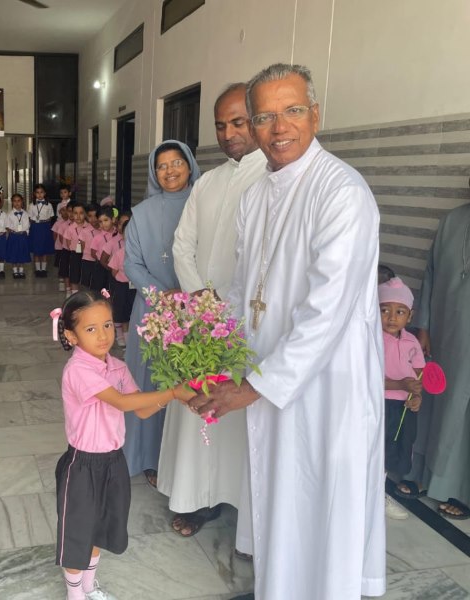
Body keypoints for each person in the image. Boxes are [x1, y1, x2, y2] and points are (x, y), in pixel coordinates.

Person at [189, 63, 386, 599]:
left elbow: (328, 311)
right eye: (265, 116)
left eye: (292, 111)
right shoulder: (257, 196)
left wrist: (253, 387)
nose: (279, 127)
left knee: (319, 507)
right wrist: (212, 359)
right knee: (277, 501)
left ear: (315, 114)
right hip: (266, 380)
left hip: (325, 390)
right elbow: (240, 290)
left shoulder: (341, 192)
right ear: (252, 127)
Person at [162, 83, 266, 538]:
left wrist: (232, 306)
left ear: (259, 119)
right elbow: (182, 244)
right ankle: (198, 499)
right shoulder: (209, 180)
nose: (228, 133)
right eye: (220, 125)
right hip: (202, 317)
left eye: (238, 122)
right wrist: (202, 300)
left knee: (244, 418)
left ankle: (249, 512)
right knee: (201, 409)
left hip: (251, 321)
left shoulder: (273, 177)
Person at [53, 290, 195, 600]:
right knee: (78, 532)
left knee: (101, 527)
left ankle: (90, 588)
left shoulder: (116, 366)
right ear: (71, 335)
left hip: (113, 461)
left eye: (106, 325)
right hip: (83, 465)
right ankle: (74, 594)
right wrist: (172, 393)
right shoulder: (78, 371)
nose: (103, 335)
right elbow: (120, 400)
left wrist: (179, 396)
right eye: (90, 329)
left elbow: (141, 408)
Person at [123, 140, 200, 485]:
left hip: (198, 309)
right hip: (152, 311)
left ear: (190, 165)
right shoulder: (141, 213)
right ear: (154, 172)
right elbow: (131, 264)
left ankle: (188, 463)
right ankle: (149, 458)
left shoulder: (205, 204)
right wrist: (162, 295)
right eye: (162, 165)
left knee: (190, 380)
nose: (170, 171)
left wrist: (190, 294)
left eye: (177, 163)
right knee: (151, 379)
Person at [398, 201, 470, 519]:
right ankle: (419, 475)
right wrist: (423, 325)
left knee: (461, 408)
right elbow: (430, 275)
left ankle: (459, 488)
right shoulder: (453, 219)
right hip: (443, 331)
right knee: (432, 398)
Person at [378, 277, 424, 520]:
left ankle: (378, 495)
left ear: (410, 315)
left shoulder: (411, 341)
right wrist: (400, 384)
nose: (392, 317)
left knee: (393, 451)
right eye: (384, 310)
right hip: (378, 404)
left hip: (403, 406)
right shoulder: (371, 339)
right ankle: (367, 494)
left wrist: (417, 397)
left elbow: (419, 375)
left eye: (400, 311)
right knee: (374, 450)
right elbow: (367, 379)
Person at [106, 217, 135, 349]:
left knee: (131, 312)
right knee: (122, 313)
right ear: (122, 235)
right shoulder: (119, 253)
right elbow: (114, 271)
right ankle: (124, 339)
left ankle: (130, 338)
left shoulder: (139, 253)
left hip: (135, 287)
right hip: (122, 286)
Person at [64, 201, 91, 297]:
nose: (78, 216)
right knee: (74, 276)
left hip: (87, 256)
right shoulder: (70, 229)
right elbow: (68, 244)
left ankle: (86, 297)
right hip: (75, 254)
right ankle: (74, 296)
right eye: (75, 213)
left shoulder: (89, 227)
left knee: (85, 276)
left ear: (85, 214)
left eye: (81, 213)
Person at [28, 183, 55, 277]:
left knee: (44, 249)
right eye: (37, 192)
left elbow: (51, 217)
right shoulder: (31, 205)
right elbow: (30, 218)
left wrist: (44, 222)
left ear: (45, 193)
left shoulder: (49, 205)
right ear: (34, 194)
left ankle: (43, 269)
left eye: (41, 192)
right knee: (36, 250)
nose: (39, 194)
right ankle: (37, 269)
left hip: (45, 227)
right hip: (35, 227)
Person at [5, 193, 31, 279]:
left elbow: (27, 225)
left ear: (22, 202)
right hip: (13, 236)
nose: (17, 203)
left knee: (22, 253)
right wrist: (11, 231)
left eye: (18, 201)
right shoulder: (9, 214)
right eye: (14, 201)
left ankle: (21, 270)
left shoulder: (26, 213)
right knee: (14, 253)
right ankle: (15, 270)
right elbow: (7, 225)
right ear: (12, 202)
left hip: (22, 236)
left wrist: (25, 233)